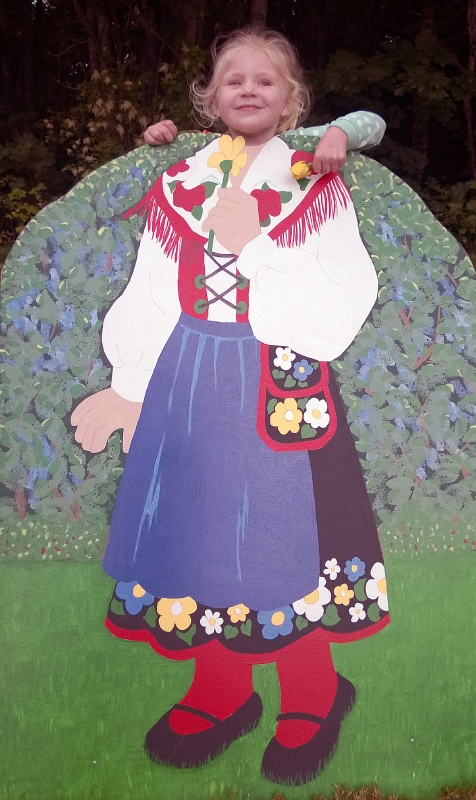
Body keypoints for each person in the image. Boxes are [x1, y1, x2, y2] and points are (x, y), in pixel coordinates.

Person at [71, 28, 389, 786]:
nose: (249, 88)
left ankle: (313, 691)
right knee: (197, 532)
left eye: (266, 80)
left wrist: (258, 247)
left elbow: (347, 297)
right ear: (210, 98)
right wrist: (128, 385)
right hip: (190, 378)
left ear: (291, 101)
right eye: (233, 79)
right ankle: (221, 689)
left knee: (284, 539)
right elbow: (153, 287)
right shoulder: (182, 182)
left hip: (276, 379)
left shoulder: (314, 185)